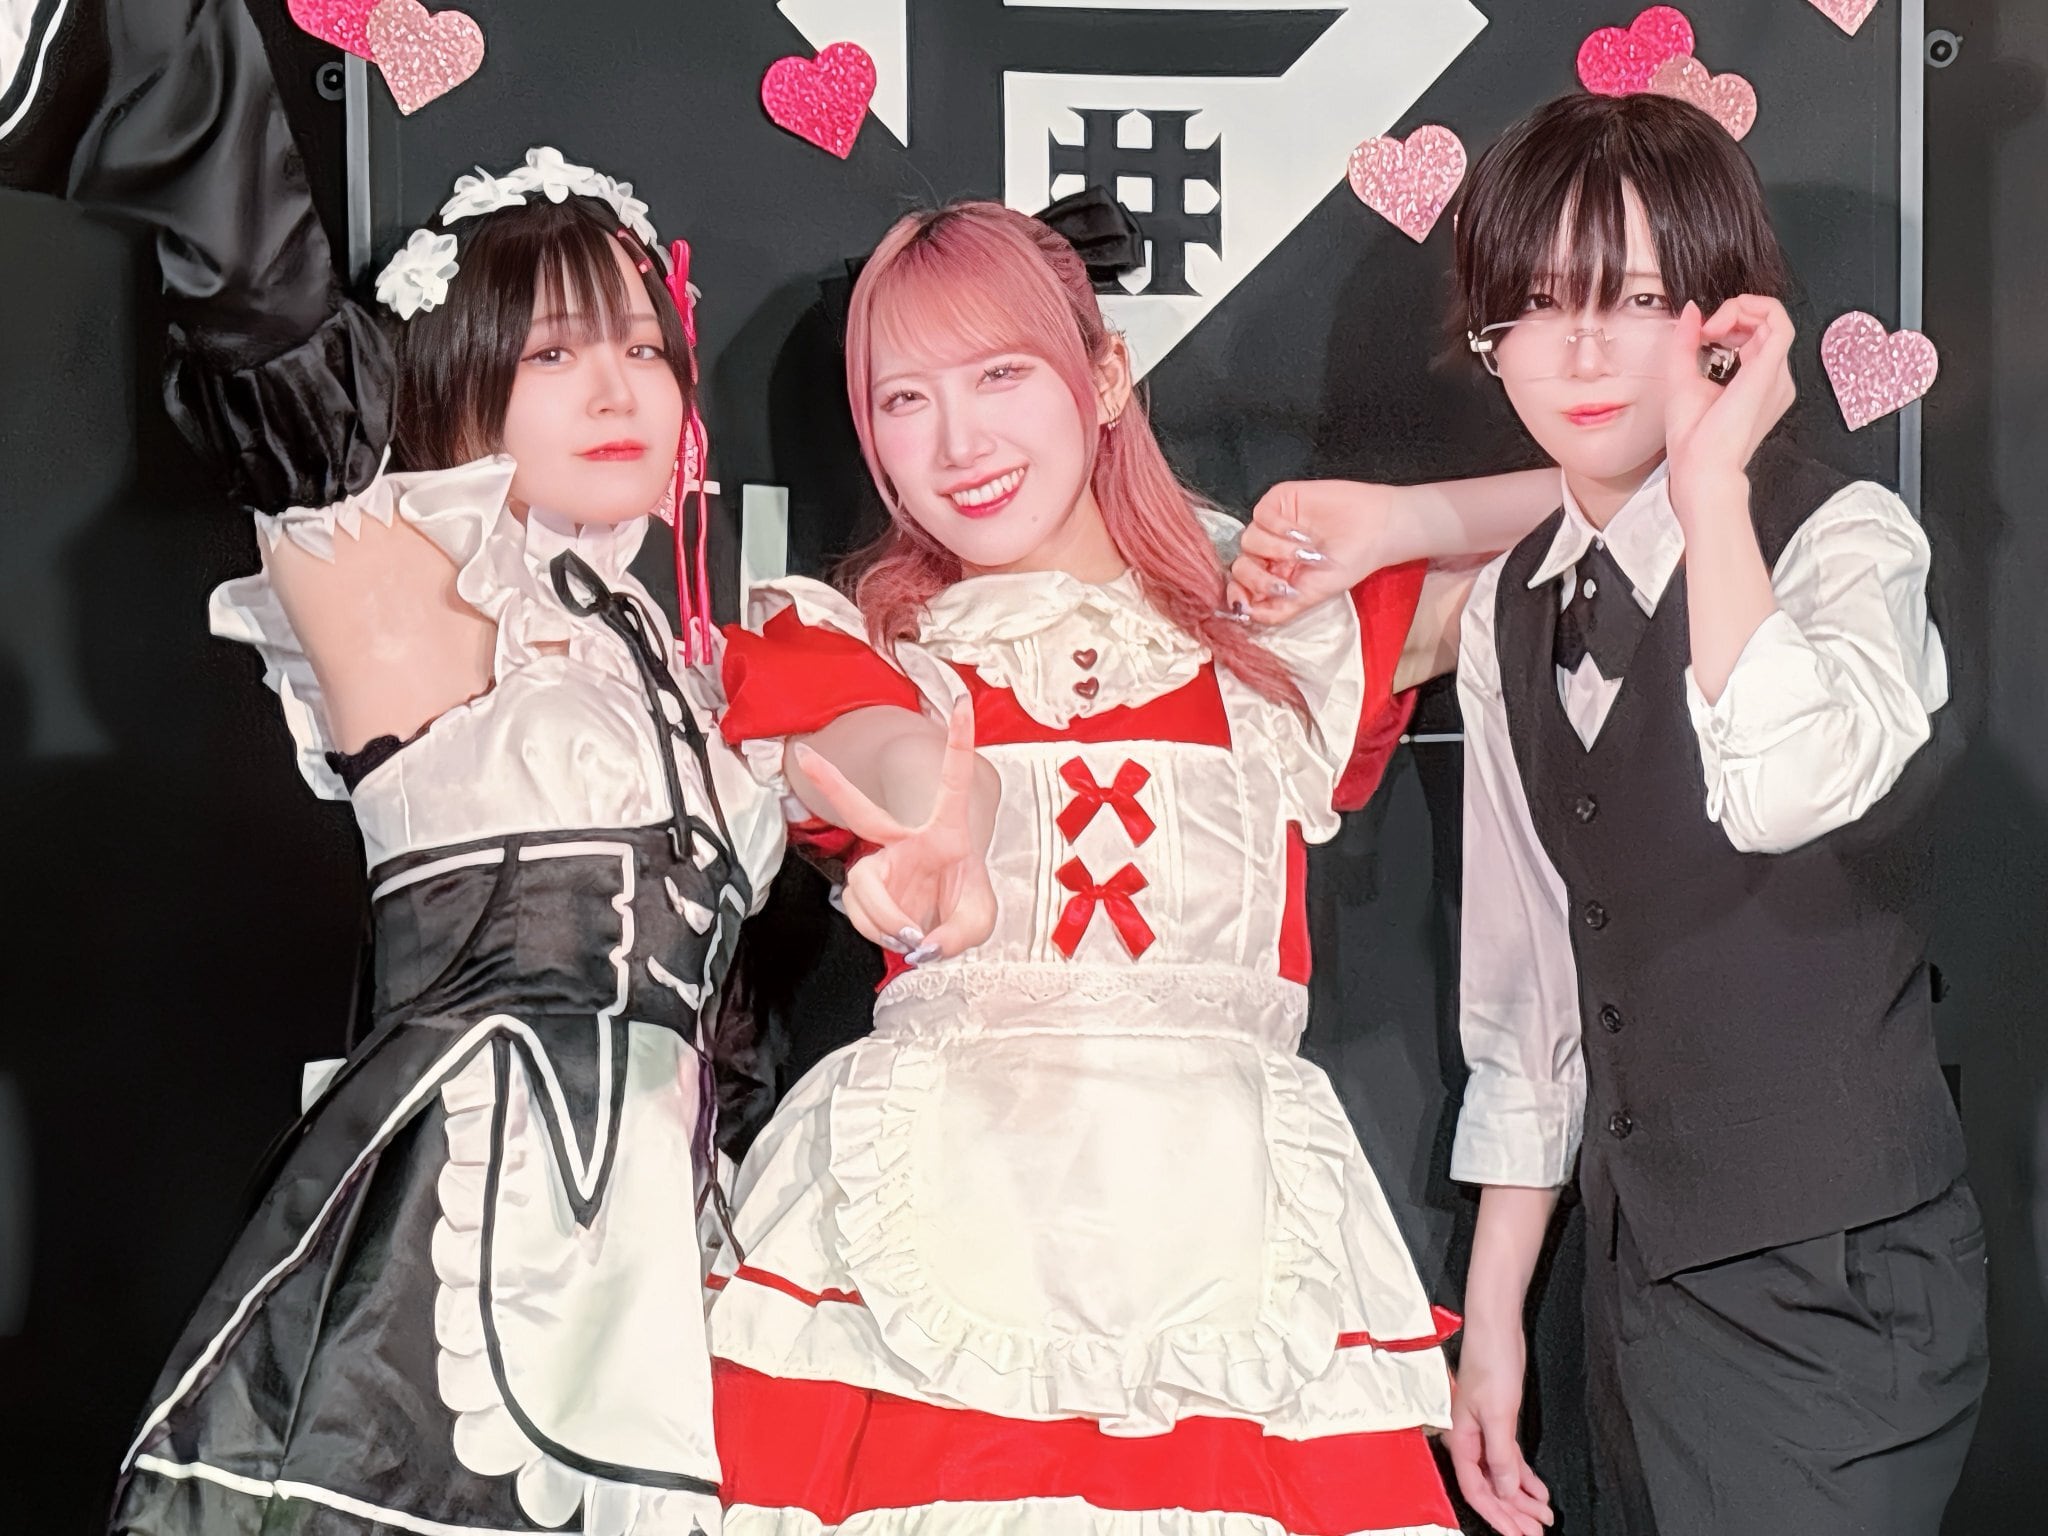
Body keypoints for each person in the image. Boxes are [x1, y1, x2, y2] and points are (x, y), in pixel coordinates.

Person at [56, 11, 960, 1531]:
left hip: (670, 1241)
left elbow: (897, 801)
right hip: (463, 1213)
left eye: (642, 347)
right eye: (553, 352)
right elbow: (272, 334)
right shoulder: (423, 588)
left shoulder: (693, 660)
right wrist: (167, 49)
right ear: (460, 373)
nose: (618, 390)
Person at [702, 198, 1559, 1535]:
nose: (959, 444)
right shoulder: (848, 645)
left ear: (1104, 377)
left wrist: (1401, 521)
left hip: (1229, 1252)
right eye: (905, 399)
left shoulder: (1275, 634)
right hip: (926, 1251)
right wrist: (940, 818)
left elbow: (1632, 506)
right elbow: (892, 756)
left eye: (1000, 375)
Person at [1247, 92, 1985, 1536]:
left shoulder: (1842, 542)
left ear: (1725, 319)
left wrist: (1711, 486)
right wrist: (1495, 1325)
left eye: (1634, 299)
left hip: (1836, 1283)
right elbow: (1532, 994)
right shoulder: (1509, 610)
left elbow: (1781, 789)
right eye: (1536, 306)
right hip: (1628, 1294)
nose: (1581, 350)